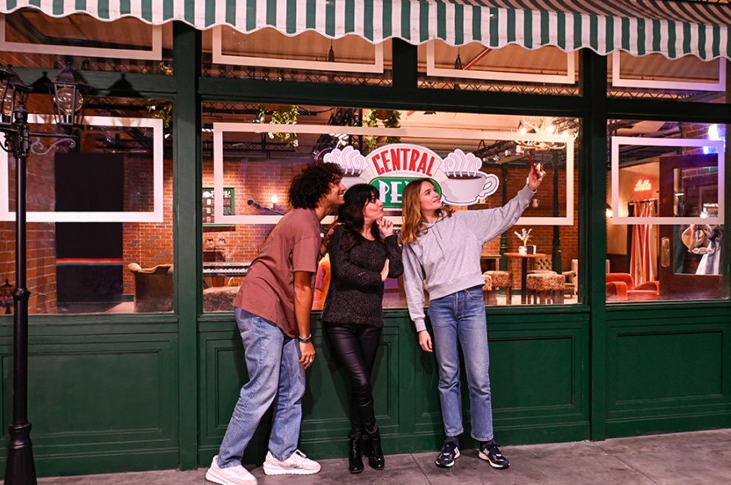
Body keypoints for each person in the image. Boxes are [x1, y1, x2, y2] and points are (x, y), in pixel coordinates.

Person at [206, 161, 345, 485]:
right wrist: (305, 337)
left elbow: (293, 268)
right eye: (337, 182)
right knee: (263, 386)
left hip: (277, 315)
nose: (343, 187)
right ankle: (225, 462)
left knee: (293, 384)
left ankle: (281, 453)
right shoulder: (306, 222)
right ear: (322, 187)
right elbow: (302, 286)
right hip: (264, 312)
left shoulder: (305, 221)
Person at [399, 165, 543, 470]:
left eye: (435, 189)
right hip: (439, 307)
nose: (435, 194)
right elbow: (412, 284)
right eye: (428, 192)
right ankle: (451, 439)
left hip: (471, 302)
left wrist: (529, 189)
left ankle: (486, 442)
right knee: (448, 376)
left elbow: (505, 214)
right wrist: (419, 325)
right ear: (416, 202)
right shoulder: (411, 239)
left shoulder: (464, 221)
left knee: (479, 377)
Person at [322, 184, 403, 474]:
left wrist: (391, 238)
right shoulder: (342, 233)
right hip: (340, 319)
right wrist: (376, 278)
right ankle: (374, 438)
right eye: (373, 200)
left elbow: (395, 270)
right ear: (359, 205)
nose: (379, 203)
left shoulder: (380, 240)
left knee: (361, 384)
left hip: (370, 321)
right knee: (362, 382)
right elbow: (342, 271)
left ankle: (356, 442)